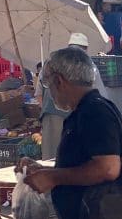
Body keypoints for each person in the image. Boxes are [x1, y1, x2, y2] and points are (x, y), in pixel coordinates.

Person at [18, 48, 122, 219]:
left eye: (48, 84)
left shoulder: (94, 111)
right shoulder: (83, 110)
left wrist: (53, 177)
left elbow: (108, 168)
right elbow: (82, 164)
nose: (49, 92)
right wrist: (45, 171)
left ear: (59, 81)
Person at [39, 32, 107, 160]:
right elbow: (102, 95)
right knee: (71, 157)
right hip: (73, 115)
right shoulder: (88, 65)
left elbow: (40, 91)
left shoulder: (51, 62)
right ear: (85, 49)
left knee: (50, 156)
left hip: (50, 115)